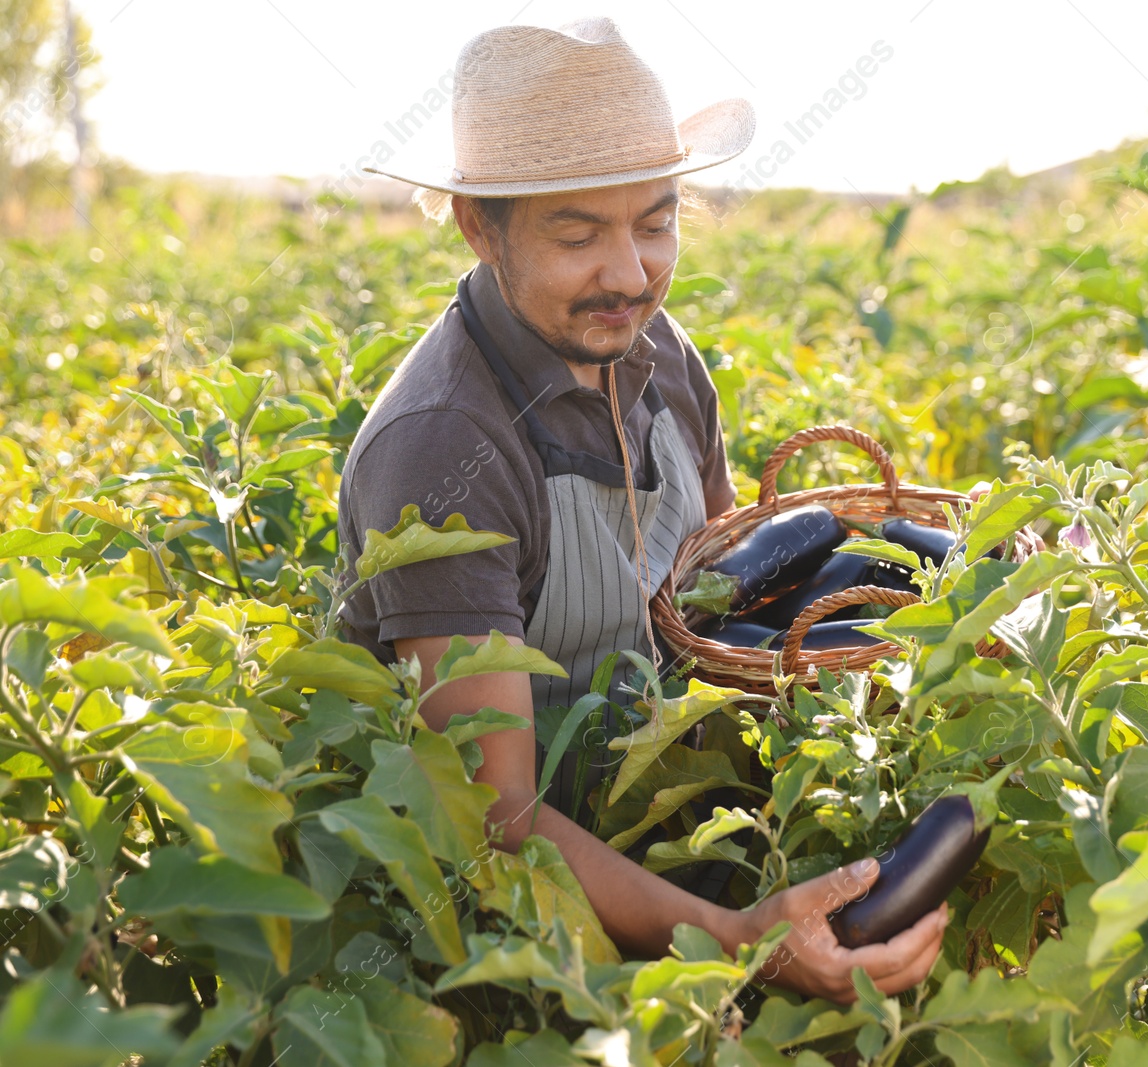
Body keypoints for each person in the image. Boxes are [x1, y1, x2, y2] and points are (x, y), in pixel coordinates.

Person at [334, 18, 945, 1003]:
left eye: (655, 222)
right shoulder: (444, 447)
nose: (628, 273)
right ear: (478, 226)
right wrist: (739, 937)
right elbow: (493, 818)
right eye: (578, 234)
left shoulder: (663, 361)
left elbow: (717, 610)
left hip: (674, 823)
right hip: (518, 938)